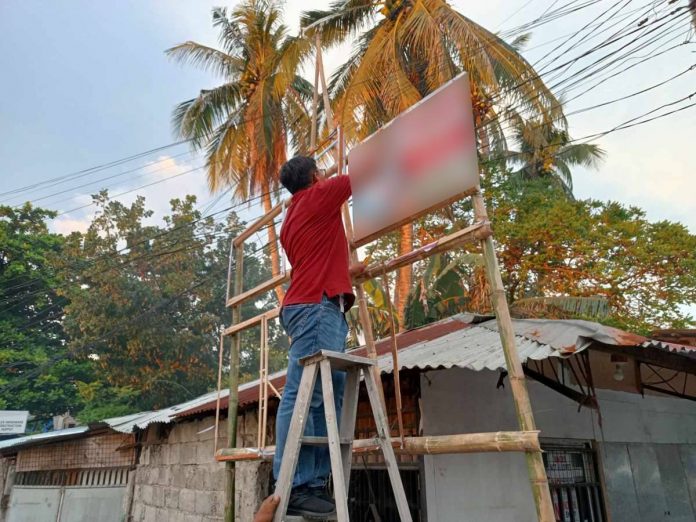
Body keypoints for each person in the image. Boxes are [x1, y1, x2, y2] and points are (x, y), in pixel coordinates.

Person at [273, 155, 356, 519]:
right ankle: (295, 484)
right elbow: (365, 172)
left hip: (314, 304)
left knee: (324, 394)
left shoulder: (292, 218)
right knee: (303, 393)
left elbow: (316, 258)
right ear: (316, 176)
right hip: (316, 306)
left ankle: (313, 481)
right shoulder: (318, 196)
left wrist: (350, 271)